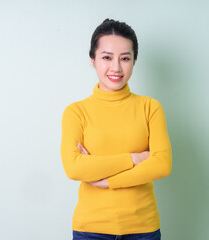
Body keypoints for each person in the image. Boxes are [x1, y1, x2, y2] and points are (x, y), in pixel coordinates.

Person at [60, 19, 172, 240]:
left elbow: (162, 164)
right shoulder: (76, 112)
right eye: (107, 57)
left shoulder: (150, 108)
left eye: (125, 58)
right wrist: (135, 158)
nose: (116, 68)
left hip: (143, 229)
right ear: (93, 60)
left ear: (134, 61)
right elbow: (74, 168)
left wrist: (106, 180)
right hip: (90, 230)